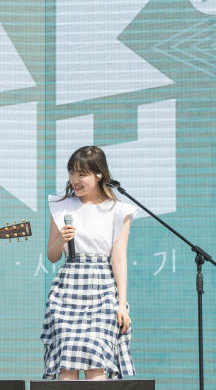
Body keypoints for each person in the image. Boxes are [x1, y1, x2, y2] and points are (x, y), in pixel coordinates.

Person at [41, 145, 137, 380]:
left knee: (96, 363)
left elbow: (119, 258)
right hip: (68, 289)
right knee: (67, 366)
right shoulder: (62, 205)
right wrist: (60, 240)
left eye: (82, 174)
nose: (75, 180)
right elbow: (52, 256)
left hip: (102, 289)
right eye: (71, 173)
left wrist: (121, 304)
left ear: (99, 174)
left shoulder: (118, 210)